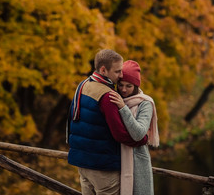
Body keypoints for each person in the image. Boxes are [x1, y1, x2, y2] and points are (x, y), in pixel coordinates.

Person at [67, 50, 148, 195]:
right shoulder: (107, 96)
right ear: (104, 70)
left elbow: (71, 121)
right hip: (103, 168)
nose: (121, 75)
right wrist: (142, 139)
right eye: (117, 71)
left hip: (82, 163)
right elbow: (120, 134)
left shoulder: (83, 85)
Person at [109, 60, 159, 195]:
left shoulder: (145, 104)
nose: (124, 89)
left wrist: (123, 108)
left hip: (138, 165)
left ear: (136, 86)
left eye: (129, 86)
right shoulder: (113, 99)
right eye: (121, 85)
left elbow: (139, 133)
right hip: (115, 162)